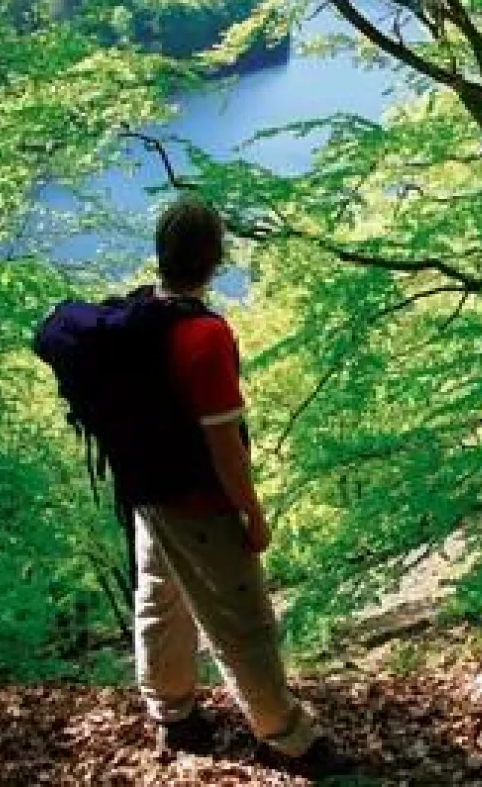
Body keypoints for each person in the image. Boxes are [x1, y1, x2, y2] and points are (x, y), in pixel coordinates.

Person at [132, 198, 343, 775]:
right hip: (199, 504)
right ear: (215, 258)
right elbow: (225, 446)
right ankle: (288, 738)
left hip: (148, 493)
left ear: (162, 253)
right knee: (243, 622)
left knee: (161, 601)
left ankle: (172, 716)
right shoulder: (203, 336)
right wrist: (251, 512)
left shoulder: (138, 316)